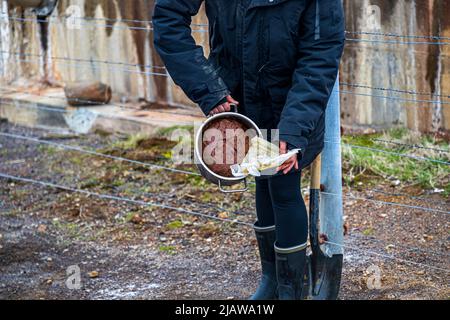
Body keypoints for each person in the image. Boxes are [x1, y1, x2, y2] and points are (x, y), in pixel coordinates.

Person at [153, 0, 345, 300]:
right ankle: (271, 279)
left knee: (283, 184)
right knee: (261, 177)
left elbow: (320, 54)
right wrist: (208, 88)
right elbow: (169, 17)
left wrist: (295, 127)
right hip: (238, 97)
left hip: (290, 101)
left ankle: (290, 289)